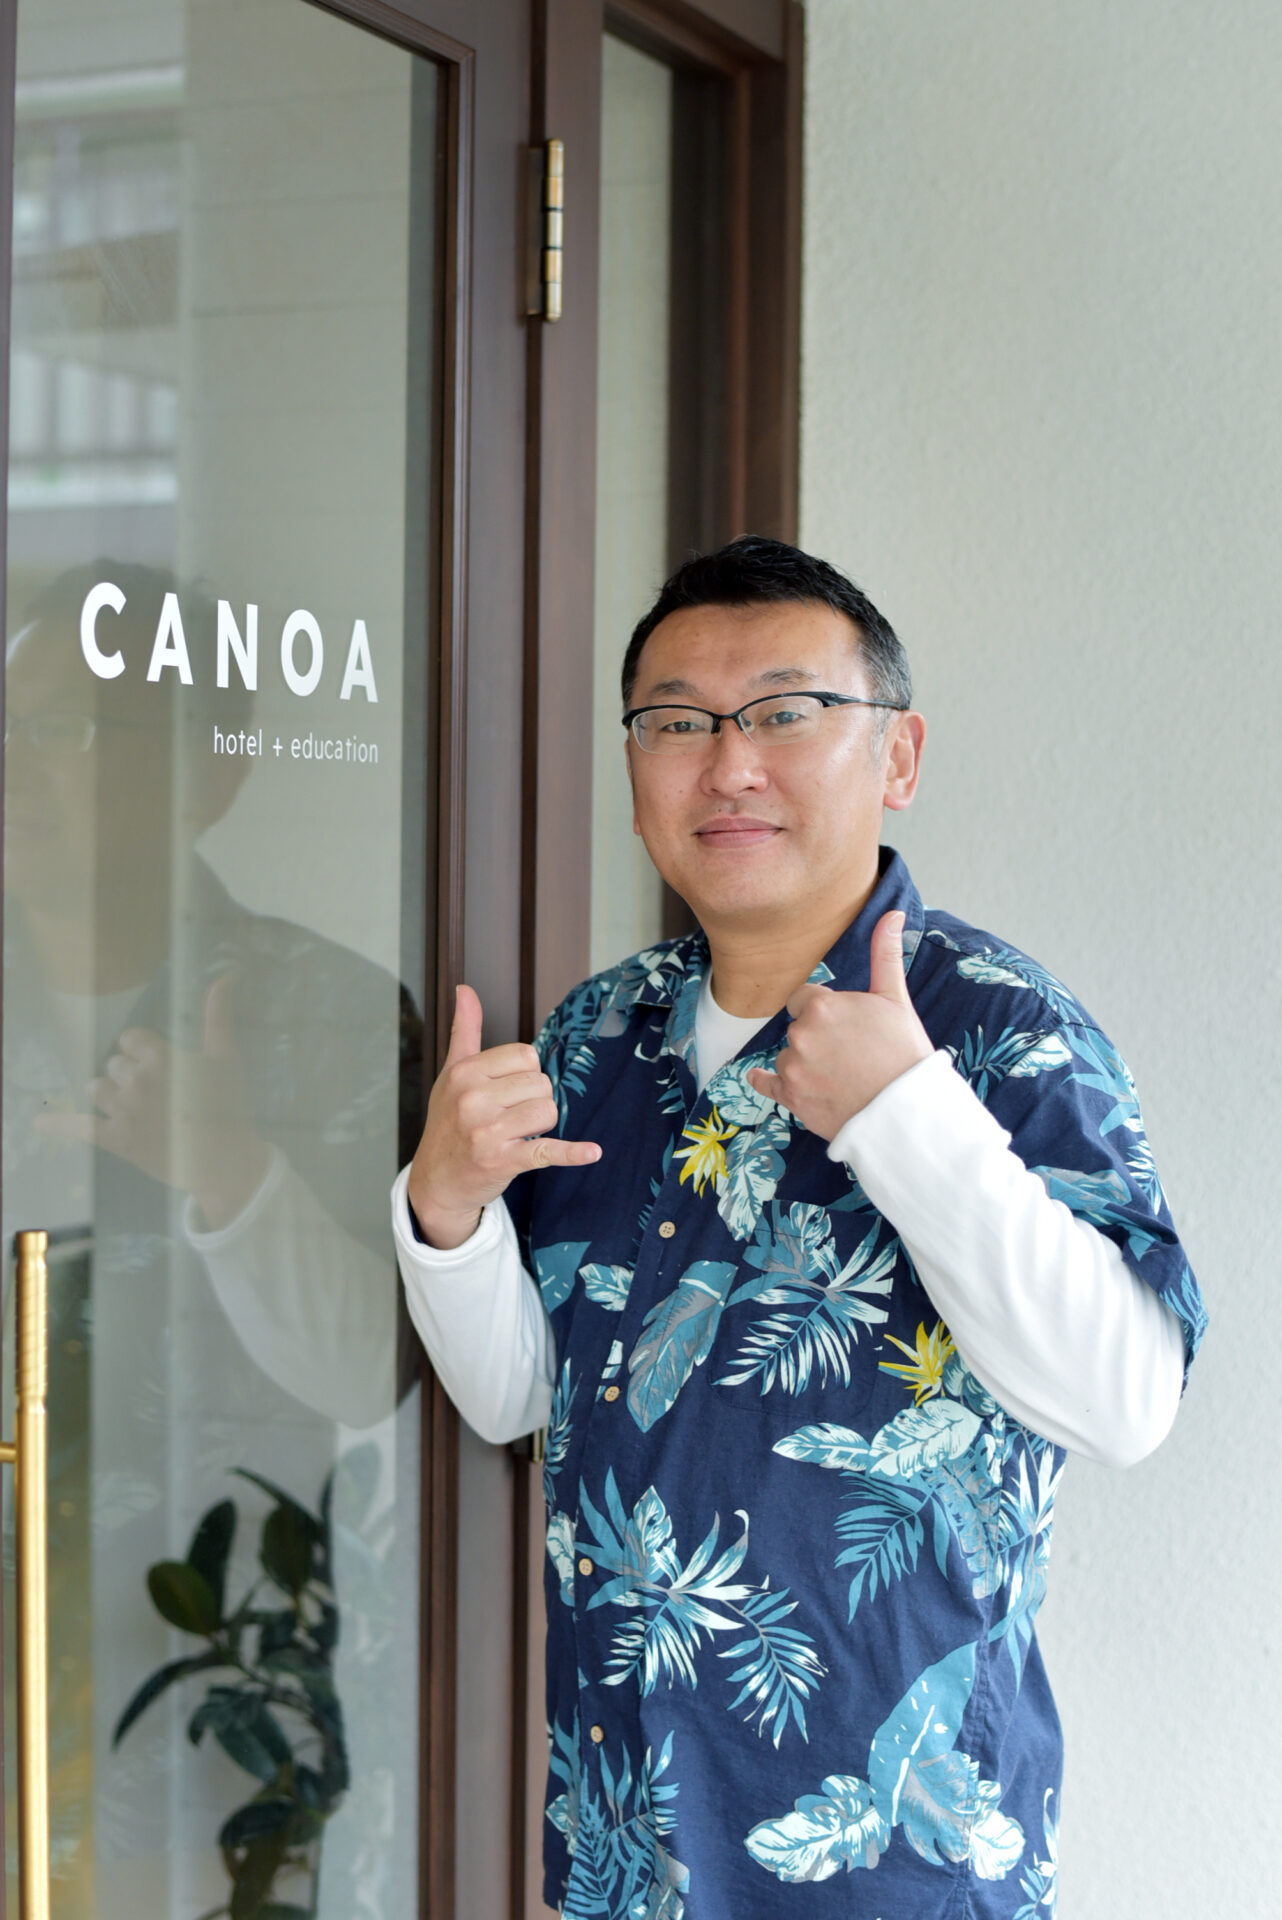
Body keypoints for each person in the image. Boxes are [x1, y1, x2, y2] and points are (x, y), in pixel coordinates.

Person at [392, 537, 1206, 1918]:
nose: (728, 764)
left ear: (897, 756)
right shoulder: (600, 1034)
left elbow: (1127, 1402)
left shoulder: (995, 1029)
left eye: (784, 712)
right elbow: (528, 1398)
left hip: (892, 1865)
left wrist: (906, 1117)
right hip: (620, 1843)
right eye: (676, 722)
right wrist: (448, 1209)